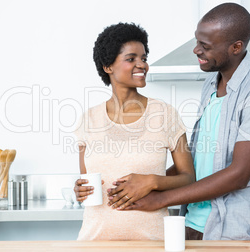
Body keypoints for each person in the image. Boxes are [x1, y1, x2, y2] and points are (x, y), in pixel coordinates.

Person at [120, 3, 250, 241]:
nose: (196, 50)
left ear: (236, 47)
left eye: (205, 46)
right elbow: (198, 159)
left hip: (233, 232)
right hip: (190, 223)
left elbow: (238, 175)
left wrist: (161, 197)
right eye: (197, 41)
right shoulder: (211, 84)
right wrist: (146, 183)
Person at [73, 23, 195, 240]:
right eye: (131, 59)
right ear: (108, 66)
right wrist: (80, 190)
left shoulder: (165, 114)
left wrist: (152, 181)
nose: (142, 65)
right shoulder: (88, 120)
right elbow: (87, 181)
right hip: (94, 242)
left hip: (152, 242)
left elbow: (188, 178)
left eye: (144, 58)